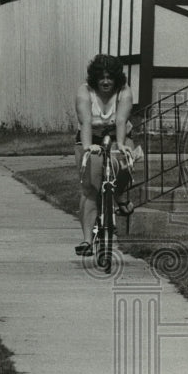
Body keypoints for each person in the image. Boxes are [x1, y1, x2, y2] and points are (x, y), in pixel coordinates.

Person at [74, 54, 135, 256]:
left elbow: (121, 120)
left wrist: (121, 144)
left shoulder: (124, 92)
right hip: (91, 137)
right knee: (90, 188)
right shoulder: (84, 91)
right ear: (94, 78)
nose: (106, 81)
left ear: (117, 78)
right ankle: (87, 241)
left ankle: (118, 194)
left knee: (126, 164)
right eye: (101, 77)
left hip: (118, 134)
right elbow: (86, 122)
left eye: (110, 77)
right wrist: (88, 146)